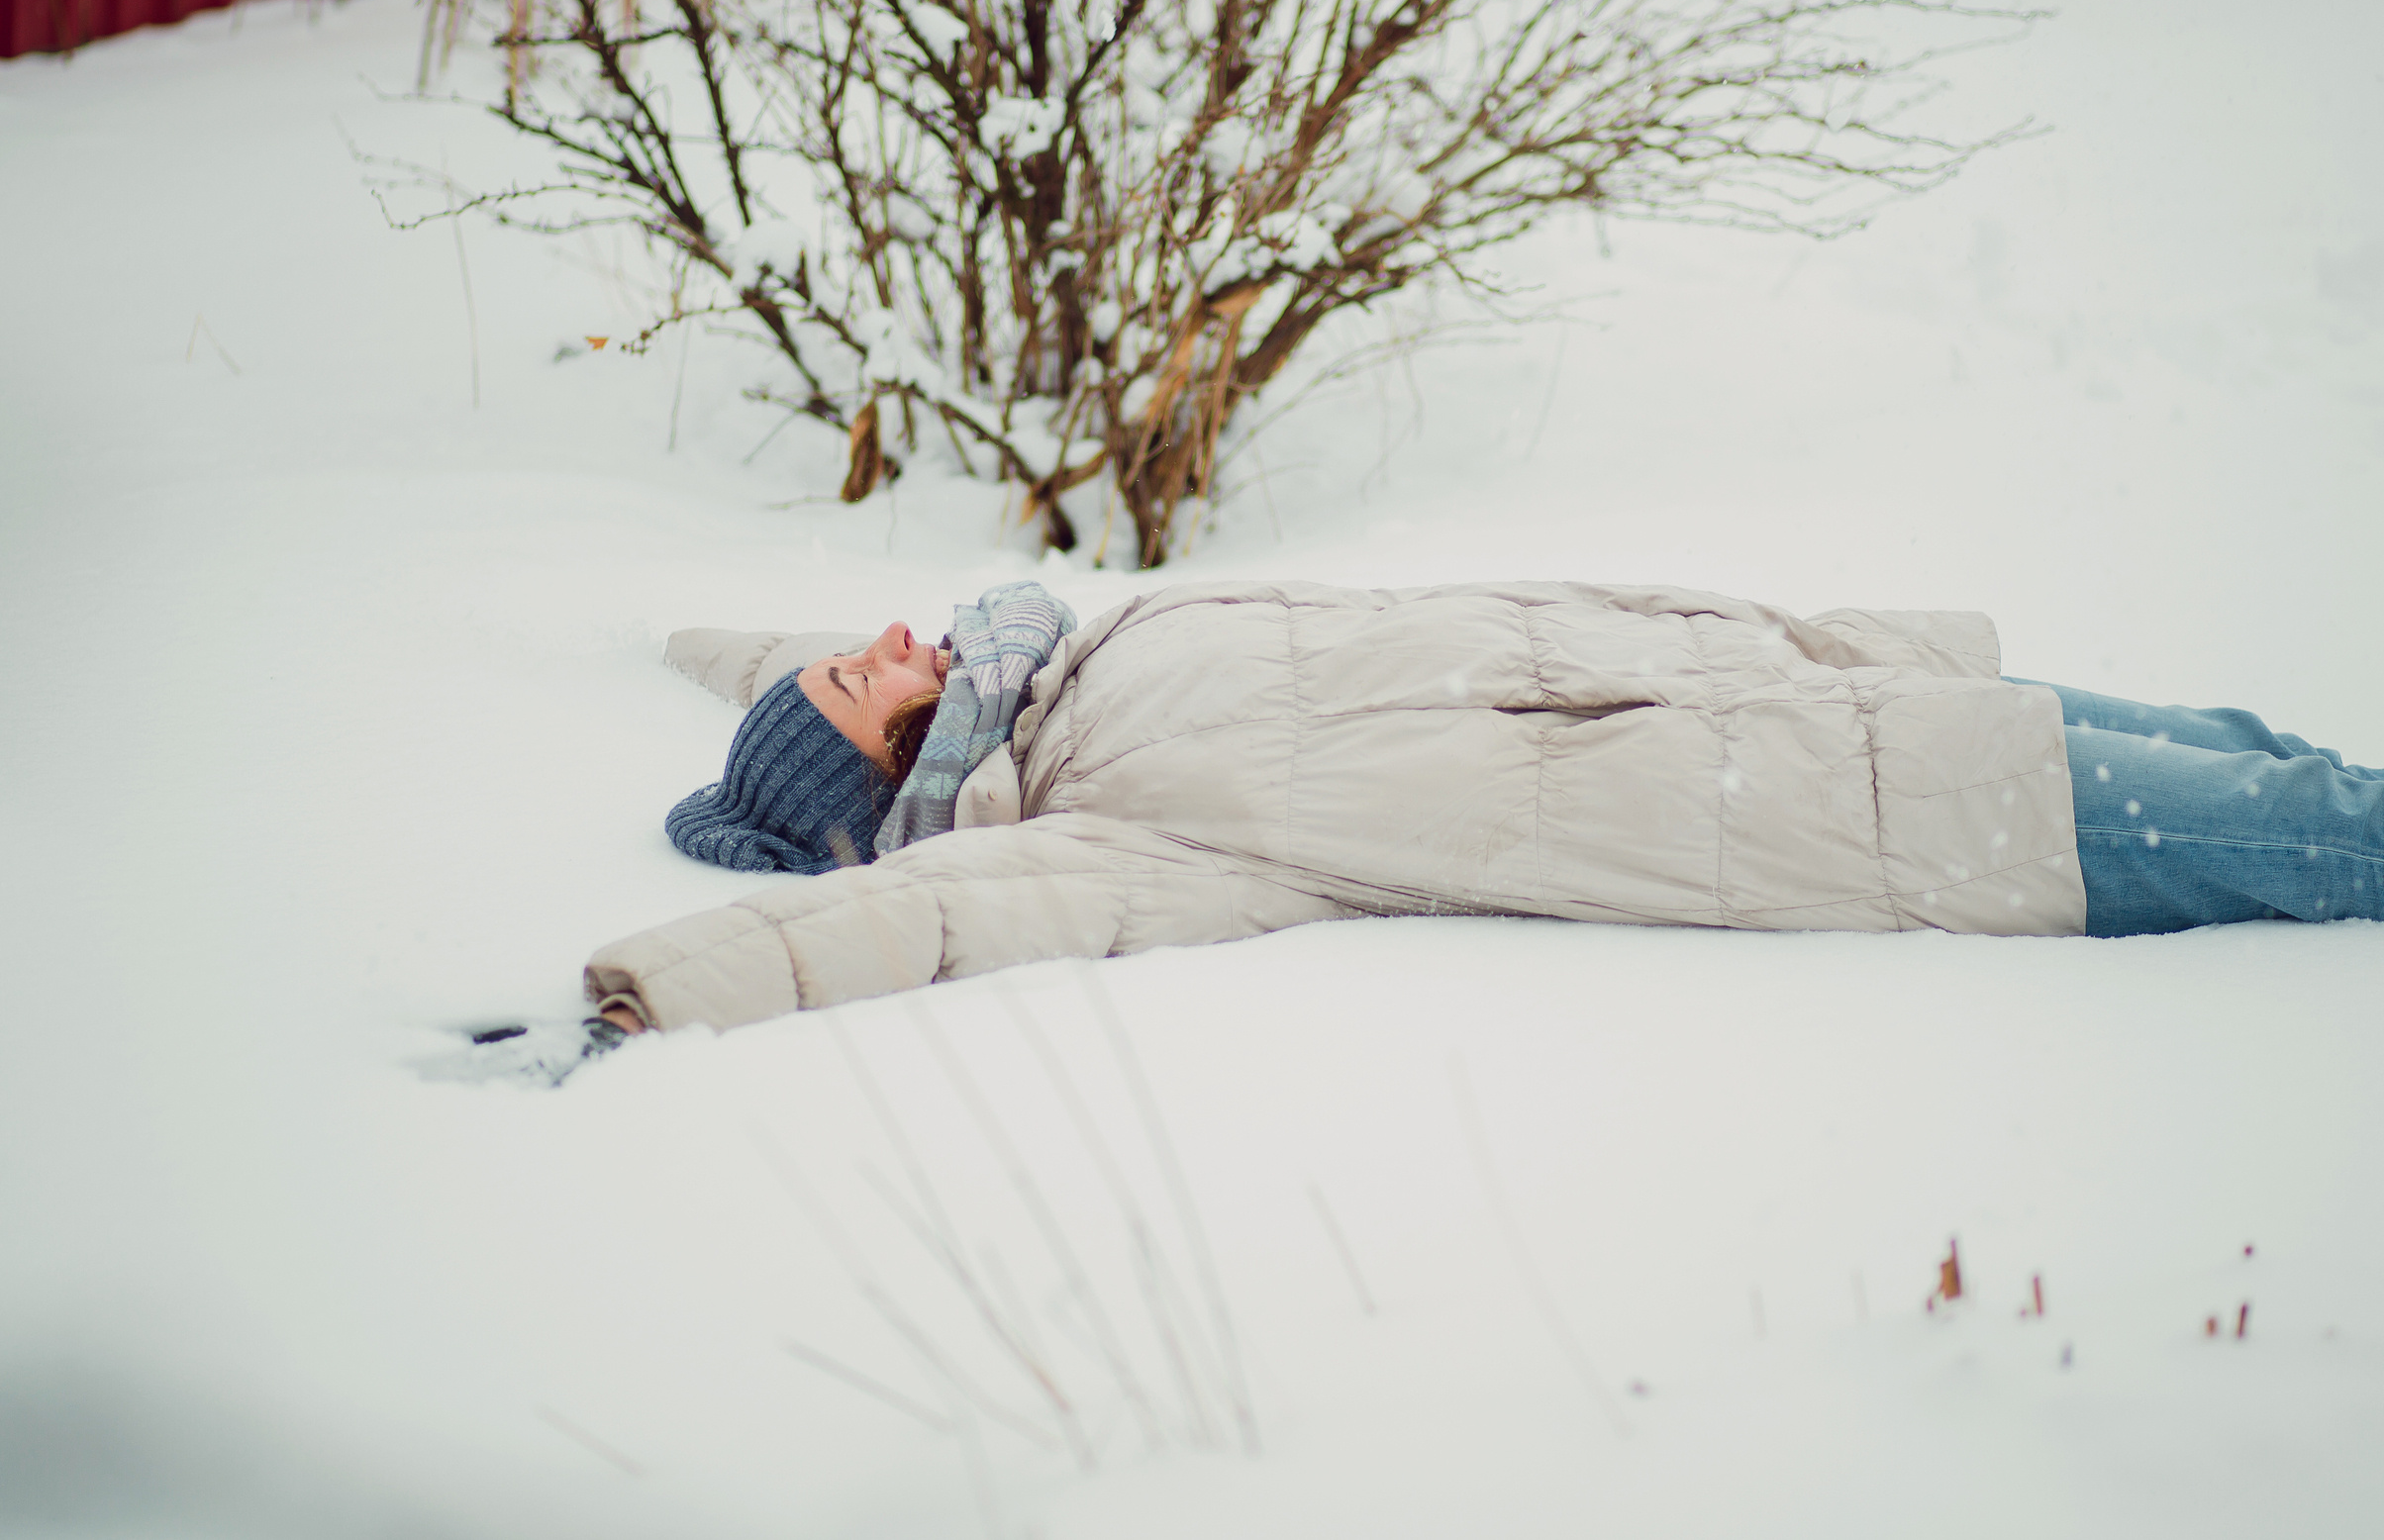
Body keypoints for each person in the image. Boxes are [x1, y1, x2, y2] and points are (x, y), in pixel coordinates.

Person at [541, 578, 2383, 1055]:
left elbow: (788, 686)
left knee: (2261, 752)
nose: (889, 637)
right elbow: (898, 917)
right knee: (2312, 826)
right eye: (865, 679)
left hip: (1822, 685)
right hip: (1879, 815)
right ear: (902, 769)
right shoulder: (1105, 827)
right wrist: (651, 988)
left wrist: (677, 639)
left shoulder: (1078, 653)